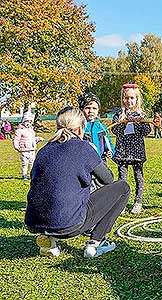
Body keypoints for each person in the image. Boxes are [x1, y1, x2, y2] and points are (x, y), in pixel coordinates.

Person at [25, 106, 130, 258]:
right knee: (123, 187)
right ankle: (96, 243)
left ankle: (50, 239)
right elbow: (108, 179)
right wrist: (94, 156)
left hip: (35, 222)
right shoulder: (83, 148)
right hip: (70, 224)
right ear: (81, 129)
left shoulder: (44, 150)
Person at [111, 83, 151, 214]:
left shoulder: (142, 114)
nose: (129, 101)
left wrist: (139, 122)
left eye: (132, 98)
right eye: (126, 98)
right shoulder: (118, 114)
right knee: (122, 178)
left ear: (137, 99)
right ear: (123, 99)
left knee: (138, 177)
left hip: (137, 152)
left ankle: (138, 202)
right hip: (123, 151)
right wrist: (123, 121)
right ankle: (121, 203)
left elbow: (147, 131)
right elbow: (115, 130)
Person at [78, 92, 115, 161]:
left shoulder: (102, 128)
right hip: (84, 163)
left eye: (94, 108)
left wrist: (110, 151)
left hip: (101, 161)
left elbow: (108, 143)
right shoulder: (78, 127)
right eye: (88, 108)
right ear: (81, 109)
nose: (91, 111)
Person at [13, 111, 44, 180]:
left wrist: (38, 139)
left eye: (30, 122)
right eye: (27, 121)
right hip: (24, 150)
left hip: (32, 149)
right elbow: (16, 139)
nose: (28, 123)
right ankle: (24, 175)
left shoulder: (31, 131)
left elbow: (33, 139)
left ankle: (32, 175)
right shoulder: (20, 131)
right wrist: (17, 147)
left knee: (32, 163)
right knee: (25, 163)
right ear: (23, 121)